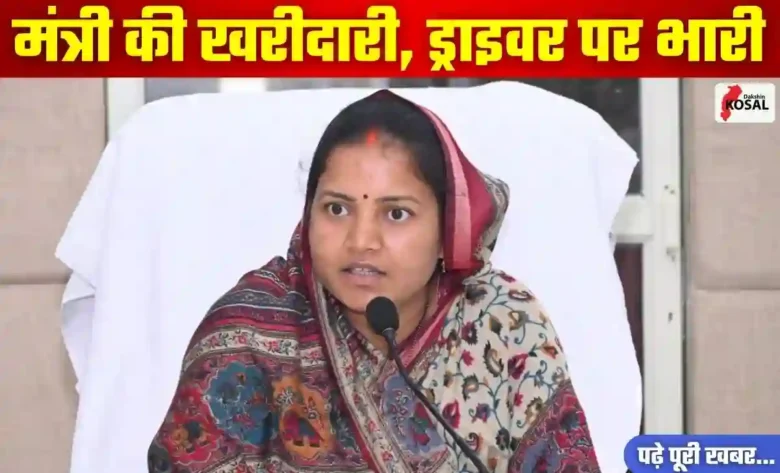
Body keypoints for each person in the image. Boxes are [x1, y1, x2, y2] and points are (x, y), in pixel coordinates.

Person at [147, 91, 601, 473]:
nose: (361, 240)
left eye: (396, 213)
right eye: (337, 209)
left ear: (448, 232)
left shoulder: (504, 323)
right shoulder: (246, 333)